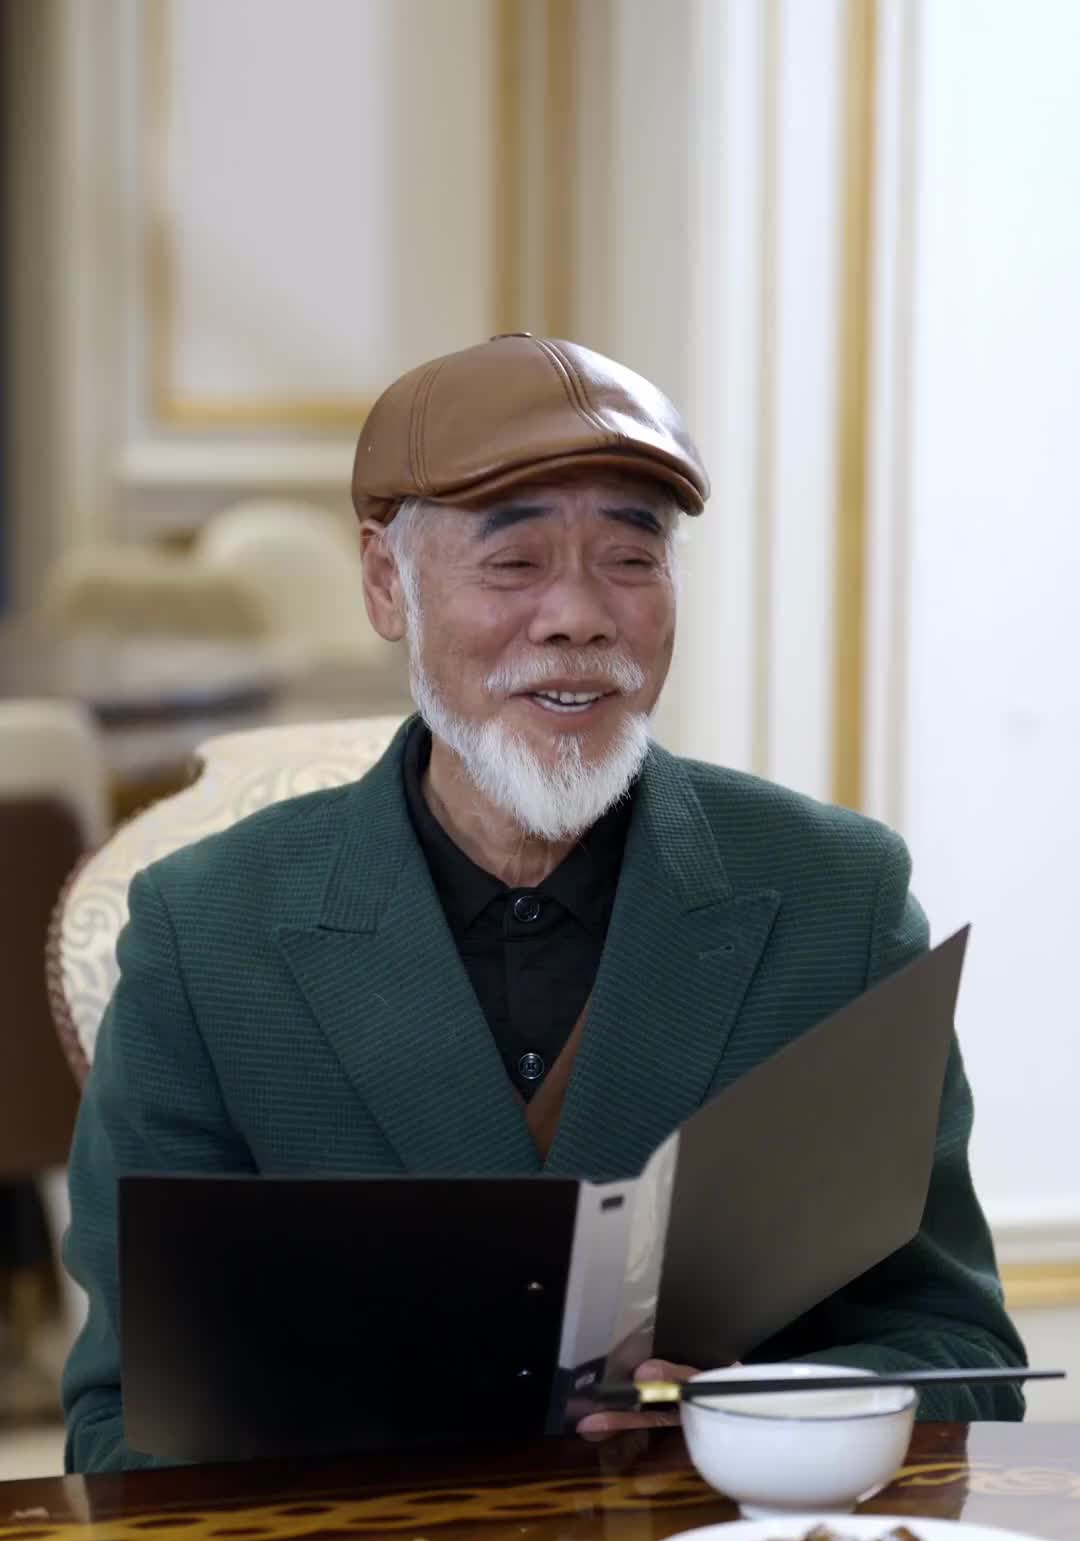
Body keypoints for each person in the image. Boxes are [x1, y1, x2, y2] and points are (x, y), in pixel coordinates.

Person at [61, 334, 1024, 1473]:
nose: (578, 615)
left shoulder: (837, 900)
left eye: (632, 557)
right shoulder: (206, 931)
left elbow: (959, 1354)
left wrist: (755, 1411)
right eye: (513, 563)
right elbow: (122, 1423)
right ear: (385, 584)